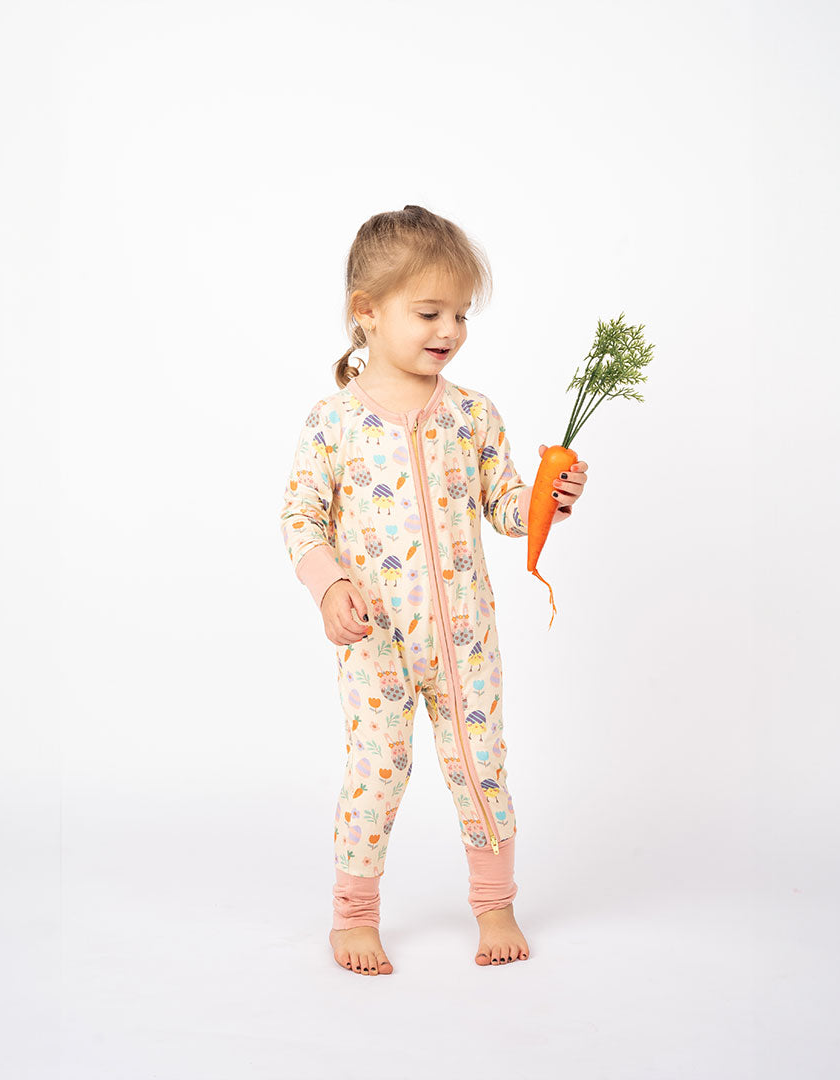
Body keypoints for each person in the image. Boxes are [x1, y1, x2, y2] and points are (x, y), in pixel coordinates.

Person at [278, 205, 587, 975]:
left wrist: (548, 495)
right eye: (428, 312)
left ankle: (495, 903)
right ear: (368, 314)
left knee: (483, 767)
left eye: (460, 314)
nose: (448, 328)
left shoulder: (472, 416)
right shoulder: (335, 423)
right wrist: (329, 587)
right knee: (377, 772)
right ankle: (354, 916)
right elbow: (301, 517)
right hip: (375, 645)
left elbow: (503, 507)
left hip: (466, 644)